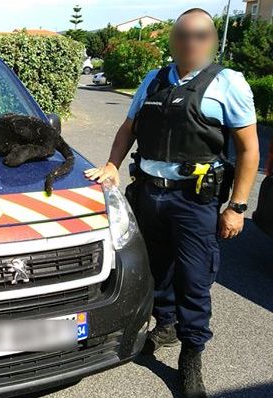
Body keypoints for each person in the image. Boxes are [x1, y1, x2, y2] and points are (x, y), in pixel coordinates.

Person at [84, 8, 259, 398]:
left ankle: (191, 353)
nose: (190, 43)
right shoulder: (155, 78)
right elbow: (129, 126)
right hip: (149, 193)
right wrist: (113, 164)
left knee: (194, 279)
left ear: (212, 40)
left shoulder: (228, 83)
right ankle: (164, 326)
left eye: (200, 36)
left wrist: (237, 206)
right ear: (172, 39)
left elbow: (249, 149)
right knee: (155, 269)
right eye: (182, 35)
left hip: (194, 200)